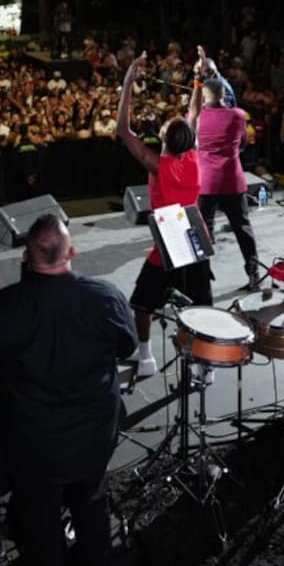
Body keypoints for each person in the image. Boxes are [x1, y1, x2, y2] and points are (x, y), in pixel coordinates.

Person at [0, 215, 137, 566]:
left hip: (30, 438)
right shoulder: (105, 298)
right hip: (94, 433)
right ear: (71, 251)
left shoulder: (0, 308)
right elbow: (128, 346)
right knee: (91, 499)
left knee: (38, 509)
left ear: (25, 256)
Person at [117, 53, 209, 377]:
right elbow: (195, 113)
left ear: (165, 138)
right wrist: (198, 80)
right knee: (202, 306)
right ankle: (206, 365)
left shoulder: (159, 165)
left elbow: (123, 130)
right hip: (195, 239)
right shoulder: (193, 157)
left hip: (168, 244)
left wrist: (127, 82)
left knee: (142, 304)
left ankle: (146, 359)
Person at [191, 46, 260, 289]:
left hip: (207, 182)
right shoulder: (239, 115)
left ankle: (202, 276)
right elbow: (243, 144)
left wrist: (197, 81)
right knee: (242, 228)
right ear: (224, 94)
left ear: (205, 96)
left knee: (203, 230)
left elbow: (193, 116)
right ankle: (253, 275)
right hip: (232, 179)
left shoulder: (198, 117)